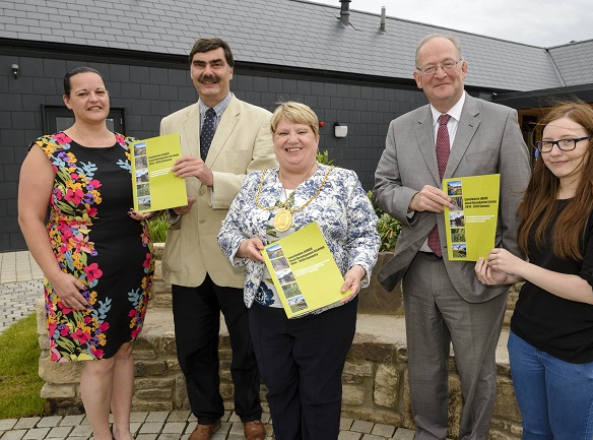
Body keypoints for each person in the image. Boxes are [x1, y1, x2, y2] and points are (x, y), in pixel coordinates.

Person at [372, 33, 531, 440]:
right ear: (417, 78)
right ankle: (430, 433)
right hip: (420, 270)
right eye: (429, 68)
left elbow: (518, 198)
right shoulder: (400, 127)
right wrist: (412, 198)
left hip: (478, 271)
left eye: (447, 64)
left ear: (464, 68)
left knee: (477, 372)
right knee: (424, 369)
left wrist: (508, 265)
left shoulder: (501, 120)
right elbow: (383, 187)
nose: (439, 73)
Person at [218, 101, 380, 440]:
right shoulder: (254, 184)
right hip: (267, 310)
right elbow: (228, 231)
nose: (293, 139)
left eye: (301, 131)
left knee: (319, 394)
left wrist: (359, 268)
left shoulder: (342, 181)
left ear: (316, 138)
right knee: (278, 390)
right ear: (274, 139)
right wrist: (244, 246)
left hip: (326, 307)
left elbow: (365, 234)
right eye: (283, 132)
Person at [475, 102, 593, 439]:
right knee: (534, 432)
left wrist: (519, 266)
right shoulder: (541, 195)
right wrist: (508, 274)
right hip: (525, 341)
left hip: (576, 353)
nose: (555, 151)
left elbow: (590, 290)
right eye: (546, 143)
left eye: (568, 141)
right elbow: (540, 265)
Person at [17, 67, 154, 440]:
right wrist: (56, 277)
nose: (94, 99)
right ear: (67, 101)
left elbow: (149, 203)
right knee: (98, 361)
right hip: (79, 278)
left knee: (124, 352)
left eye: (99, 91)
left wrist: (154, 208)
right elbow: (29, 218)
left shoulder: (132, 148)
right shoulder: (48, 150)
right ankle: (101, 434)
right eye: (83, 93)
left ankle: (123, 431)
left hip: (132, 269)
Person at [159, 38, 276, 440]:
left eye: (215, 64)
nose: (207, 71)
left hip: (238, 256)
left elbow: (266, 185)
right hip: (188, 255)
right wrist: (170, 207)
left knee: (248, 347)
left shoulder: (261, 120)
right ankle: (206, 415)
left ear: (230, 70)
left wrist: (212, 179)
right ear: (191, 71)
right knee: (193, 348)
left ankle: (250, 413)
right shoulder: (170, 124)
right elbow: (165, 188)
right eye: (198, 65)